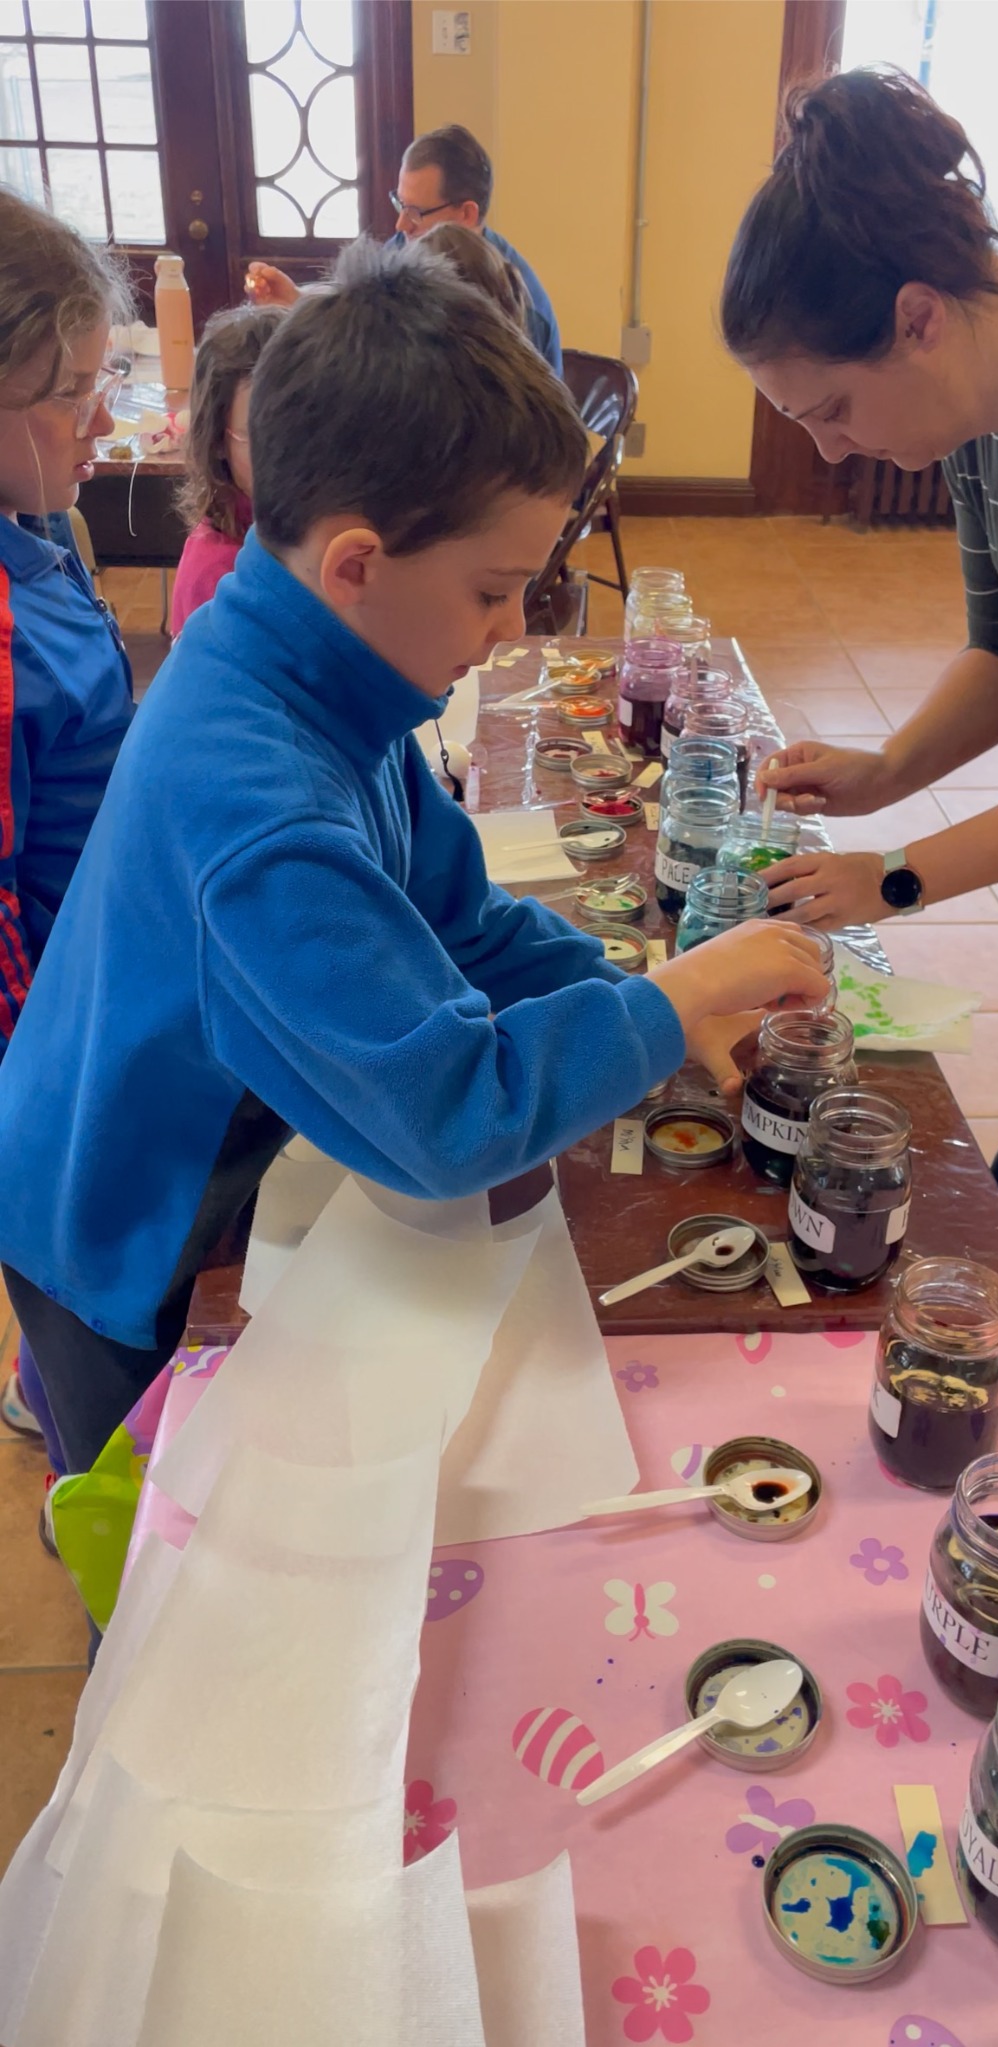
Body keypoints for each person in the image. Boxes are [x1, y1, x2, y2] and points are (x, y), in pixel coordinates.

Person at [0, 241, 826, 1489]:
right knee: (164, 1524)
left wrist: (652, 981)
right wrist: (664, 1008)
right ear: (356, 563)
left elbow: (462, 918)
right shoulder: (259, 813)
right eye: (494, 591)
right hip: (121, 1227)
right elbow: (448, 1115)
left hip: (206, 1134)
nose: (511, 628)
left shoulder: (324, 663)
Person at [720, 66, 998, 1282]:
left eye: (833, 408)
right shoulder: (978, 398)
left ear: (916, 319)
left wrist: (893, 880)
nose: (827, 445)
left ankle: (949, 1325)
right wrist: (884, 772)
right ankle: (935, 1315)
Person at [0, 187, 135, 1468]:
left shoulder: (45, 531)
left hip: (95, 1003)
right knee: (98, 1371)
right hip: (55, 1078)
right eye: (72, 392)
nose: (105, 418)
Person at [247, 123, 563, 373]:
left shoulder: (520, 309)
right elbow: (360, 313)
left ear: (466, 214)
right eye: (401, 204)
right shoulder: (407, 246)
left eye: (417, 212)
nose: (401, 225)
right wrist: (298, 303)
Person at [170, 302, 285, 635]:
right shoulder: (219, 576)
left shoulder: (288, 526)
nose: (289, 455)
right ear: (218, 440)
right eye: (261, 437)